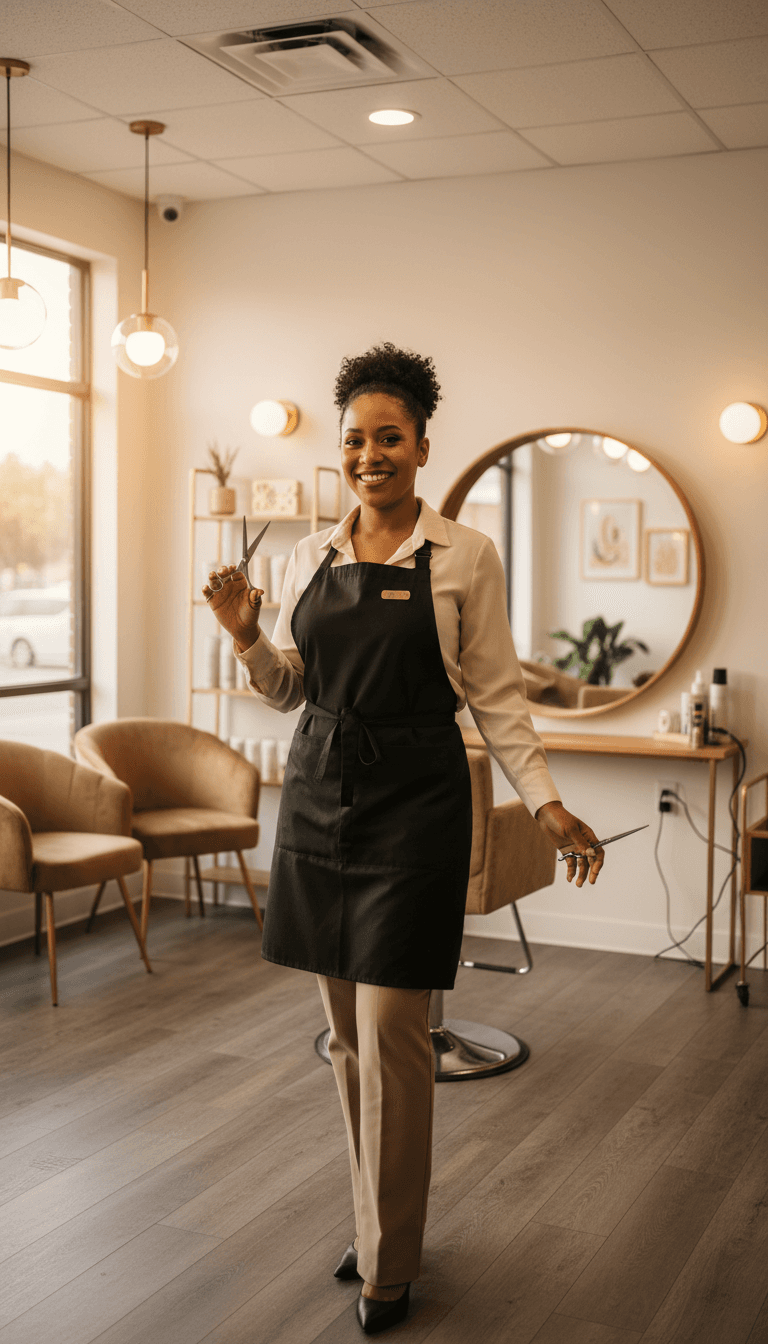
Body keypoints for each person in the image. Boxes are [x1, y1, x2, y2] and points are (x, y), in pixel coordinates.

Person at [203, 343, 604, 1335]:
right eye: (355, 440)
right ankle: (376, 1224)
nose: (369, 454)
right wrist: (247, 635)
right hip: (318, 797)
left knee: (392, 1037)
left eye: (389, 438)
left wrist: (548, 802)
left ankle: (391, 1263)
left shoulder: (465, 556)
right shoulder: (311, 556)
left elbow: (498, 700)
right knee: (345, 1042)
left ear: (422, 446)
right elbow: (294, 690)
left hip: (417, 806)